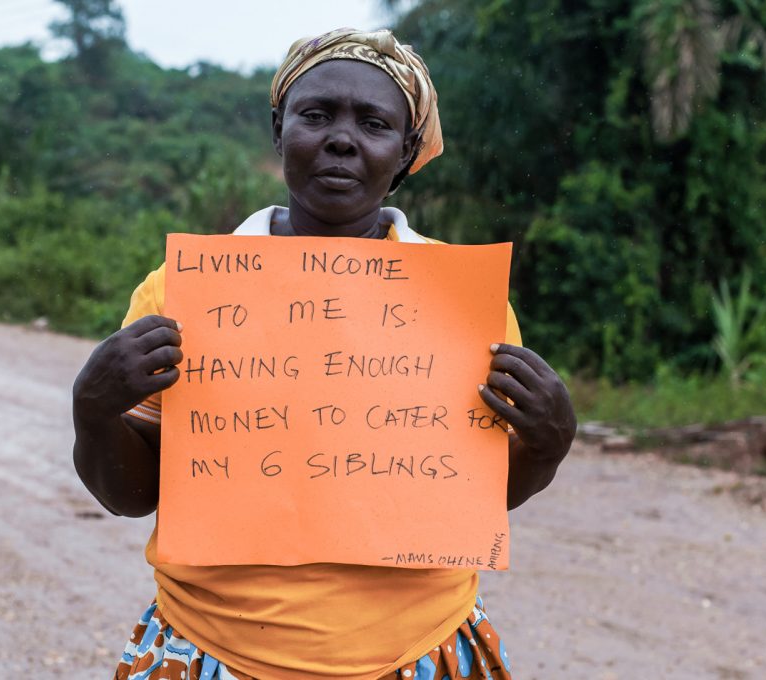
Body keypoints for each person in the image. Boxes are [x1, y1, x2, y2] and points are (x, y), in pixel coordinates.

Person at [72, 27, 576, 680]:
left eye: (373, 123)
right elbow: (132, 495)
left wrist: (548, 442)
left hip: (417, 652)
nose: (342, 138)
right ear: (280, 131)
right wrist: (94, 409)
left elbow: (465, 503)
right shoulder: (182, 291)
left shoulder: (462, 304)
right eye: (317, 115)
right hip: (213, 652)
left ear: (403, 155)